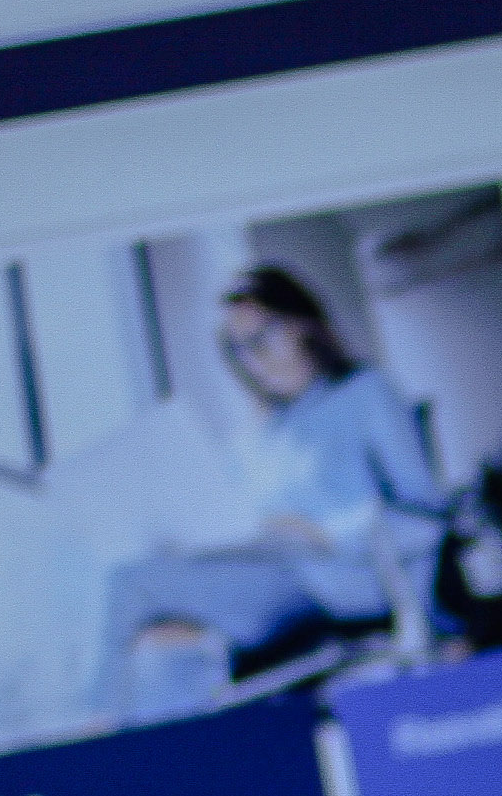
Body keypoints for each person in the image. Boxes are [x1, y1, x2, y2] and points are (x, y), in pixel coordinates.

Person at [91, 266, 443, 721]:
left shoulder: (365, 394)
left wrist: (323, 532)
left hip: (343, 578)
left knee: (131, 584)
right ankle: (142, 736)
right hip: (276, 576)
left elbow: (425, 515)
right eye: (238, 349)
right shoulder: (267, 433)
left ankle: (94, 729)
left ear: (302, 326)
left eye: (261, 338)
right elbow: (251, 524)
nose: (253, 360)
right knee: (149, 613)